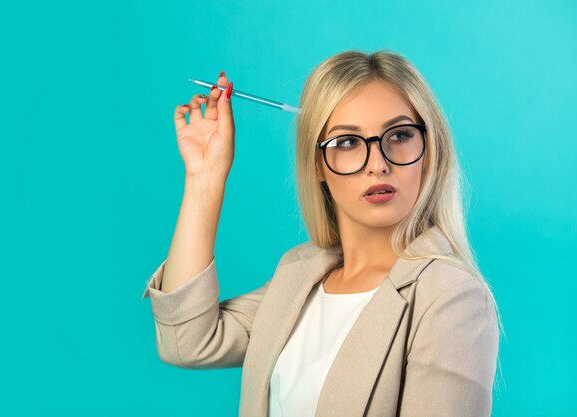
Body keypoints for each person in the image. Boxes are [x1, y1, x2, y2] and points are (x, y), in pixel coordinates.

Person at [141, 50, 503, 417]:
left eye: (400, 135)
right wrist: (205, 177)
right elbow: (185, 341)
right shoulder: (299, 273)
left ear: (429, 148)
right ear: (318, 164)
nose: (379, 164)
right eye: (346, 142)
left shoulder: (451, 297)